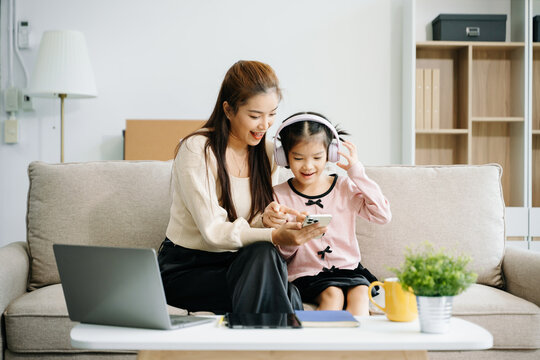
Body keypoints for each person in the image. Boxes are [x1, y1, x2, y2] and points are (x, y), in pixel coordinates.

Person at [157, 61, 327, 315]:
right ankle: (283, 341)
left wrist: (269, 220)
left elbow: (253, 225)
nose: (265, 125)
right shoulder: (197, 150)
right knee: (276, 280)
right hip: (189, 269)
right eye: (255, 116)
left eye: (272, 114)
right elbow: (213, 233)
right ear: (228, 109)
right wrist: (273, 235)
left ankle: (264, 341)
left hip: (240, 264)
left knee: (264, 255)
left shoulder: (268, 153)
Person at [270, 112, 392, 316]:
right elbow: (282, 253)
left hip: (350, 270)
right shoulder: (279, 195)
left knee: (361, 291)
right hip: (307, 274)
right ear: (284, 157)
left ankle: (356, 346)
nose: (308, 166)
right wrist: (295, 235)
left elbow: (382, 215)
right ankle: (323, 346)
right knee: (333, 294)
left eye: (317, 157)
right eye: (298, 158)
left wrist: (356, 173)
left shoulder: (344, 187)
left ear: (331, 154)